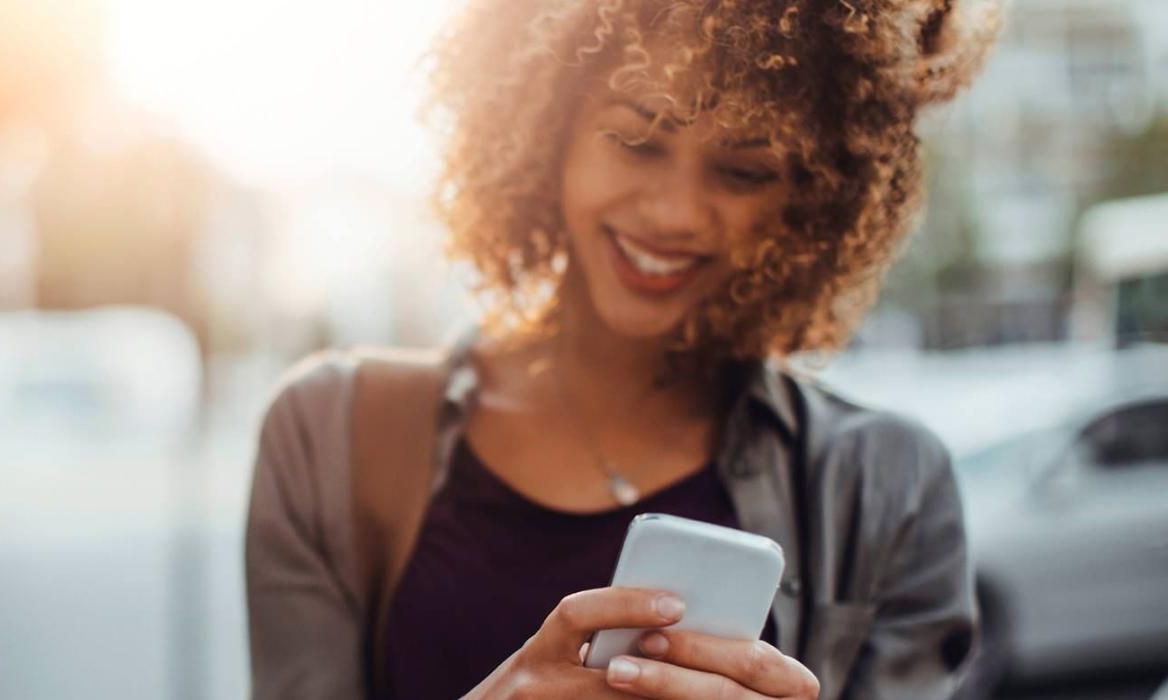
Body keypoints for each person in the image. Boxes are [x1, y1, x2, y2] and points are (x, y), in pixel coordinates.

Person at [245, 1, 1003, 698]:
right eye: (638, 139)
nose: (674, 213)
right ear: (547, 126)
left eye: (743, 170)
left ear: (813, 195)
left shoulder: (891, 489)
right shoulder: (331, 437)